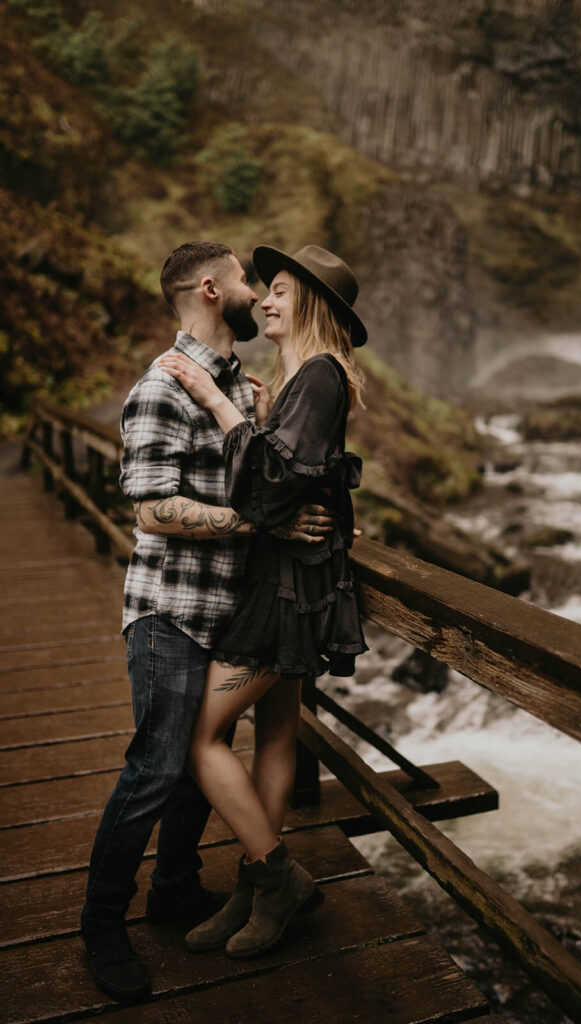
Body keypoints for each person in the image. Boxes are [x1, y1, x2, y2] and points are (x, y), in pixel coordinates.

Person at [80, 241, 334, 1004]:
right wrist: (260, 525)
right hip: (170, 609)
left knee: (204, 751)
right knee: (156, 765)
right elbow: (153, 508)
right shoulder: (163, 386)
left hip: (229, 608)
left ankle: (175, 890)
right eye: (247, 280)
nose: (256, 294)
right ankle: (100, 924)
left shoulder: (236, 384)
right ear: (209, 288)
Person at [155, 244, 368, 960]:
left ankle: (277, 879)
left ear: (309, 303)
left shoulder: (317, 374)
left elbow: (271, 484)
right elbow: (310, 473)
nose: (265, 302)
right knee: (274, 733)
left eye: (277, 290)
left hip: (287, 588)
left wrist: (218, 404)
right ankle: (255, 887)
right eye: (264, 289)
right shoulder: (305, 379)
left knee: (198, 736)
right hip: (292, 577)